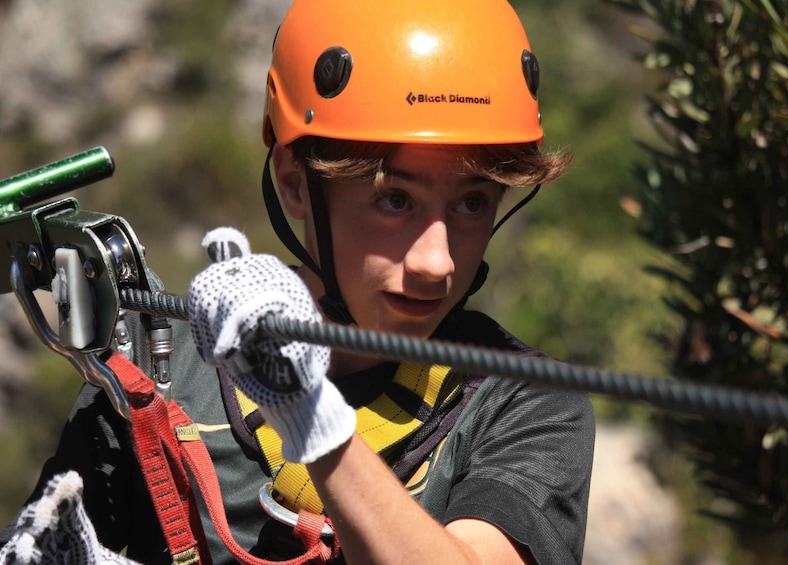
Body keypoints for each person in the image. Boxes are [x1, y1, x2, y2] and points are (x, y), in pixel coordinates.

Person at [1, 0, 595, 563]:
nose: (436, 261)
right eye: (395, 200)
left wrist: (310, 413)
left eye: (472, 203)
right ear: (294, 183)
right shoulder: (160, 371)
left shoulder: (528, 405)